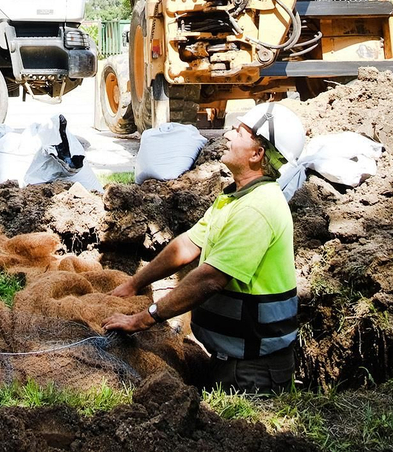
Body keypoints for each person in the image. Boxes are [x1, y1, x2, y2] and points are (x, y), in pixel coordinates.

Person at [103, 102, 307, 391]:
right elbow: (186, 245)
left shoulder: (257, 208)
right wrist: (135, 283)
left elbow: (210, 279)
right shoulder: (236, 197)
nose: (228, 135)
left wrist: (143, 319)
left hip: (253, 372)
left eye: (239, 132)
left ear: (257, 153)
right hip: (232, 360)